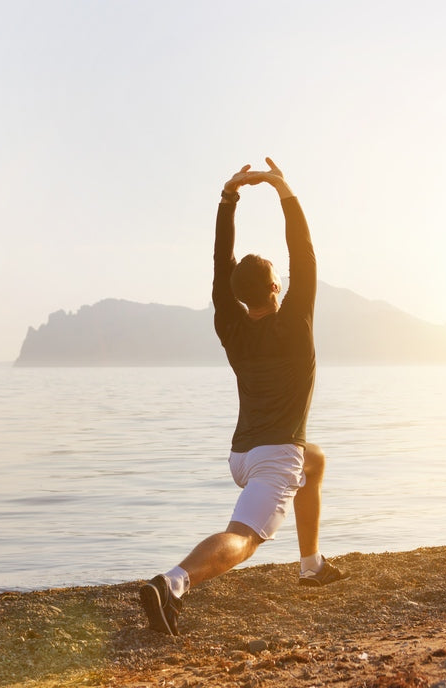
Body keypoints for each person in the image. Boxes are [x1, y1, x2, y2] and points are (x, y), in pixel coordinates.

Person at [140, 158, 348, 636]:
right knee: (245, 538)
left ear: (236, 295)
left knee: (314, 461)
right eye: (280, 274)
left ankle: (311, 565)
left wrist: (228, 199)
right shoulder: (295, 323)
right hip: (274, 456)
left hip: (242, 455)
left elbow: (220, 264)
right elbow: (306, 253)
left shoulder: (228, 325)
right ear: (277, 287)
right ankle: (173, 583)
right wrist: (283, 190)